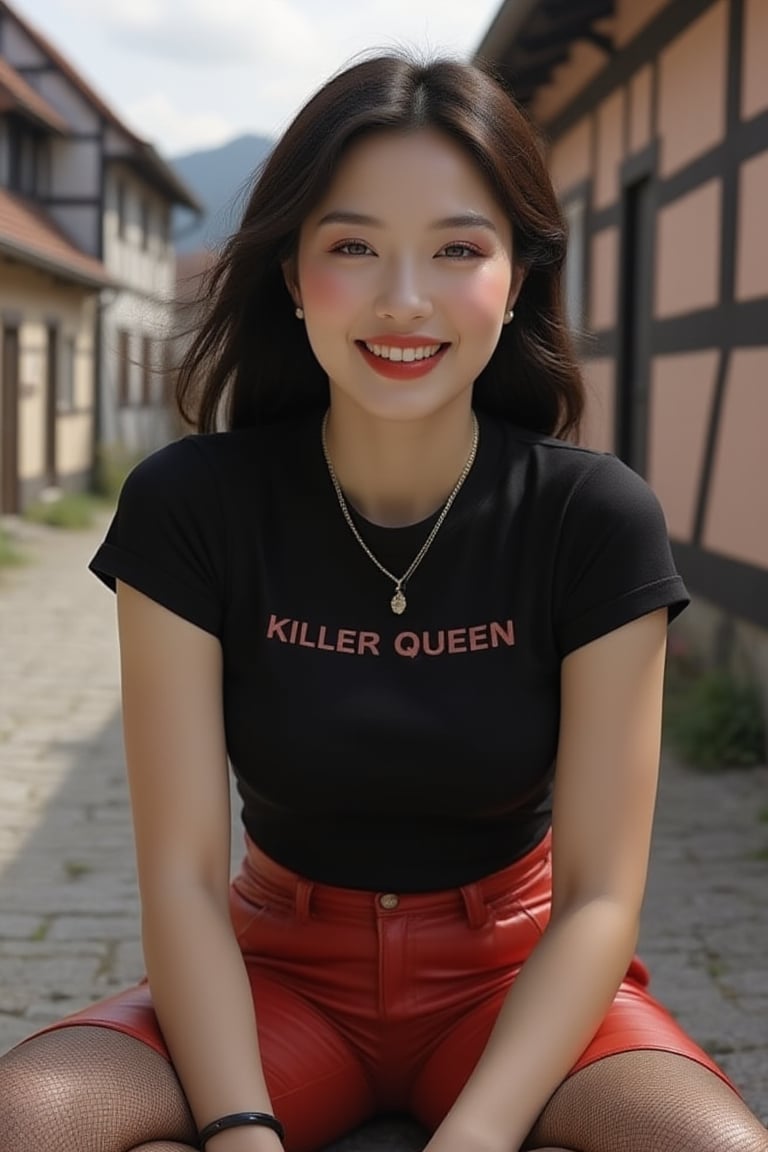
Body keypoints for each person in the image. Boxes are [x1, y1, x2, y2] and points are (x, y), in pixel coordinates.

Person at [1, 52, 766, 1152]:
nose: (403, 299)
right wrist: (239, 1128)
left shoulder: (594, 519)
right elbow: (178, 875)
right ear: (291, 275)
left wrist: (479, 1136)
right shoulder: (190, 505)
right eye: (352, 246)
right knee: (28, 1119)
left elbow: (600, 902)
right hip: (272, 979)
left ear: (516, 277)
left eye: (458, 249)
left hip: (512, 979)